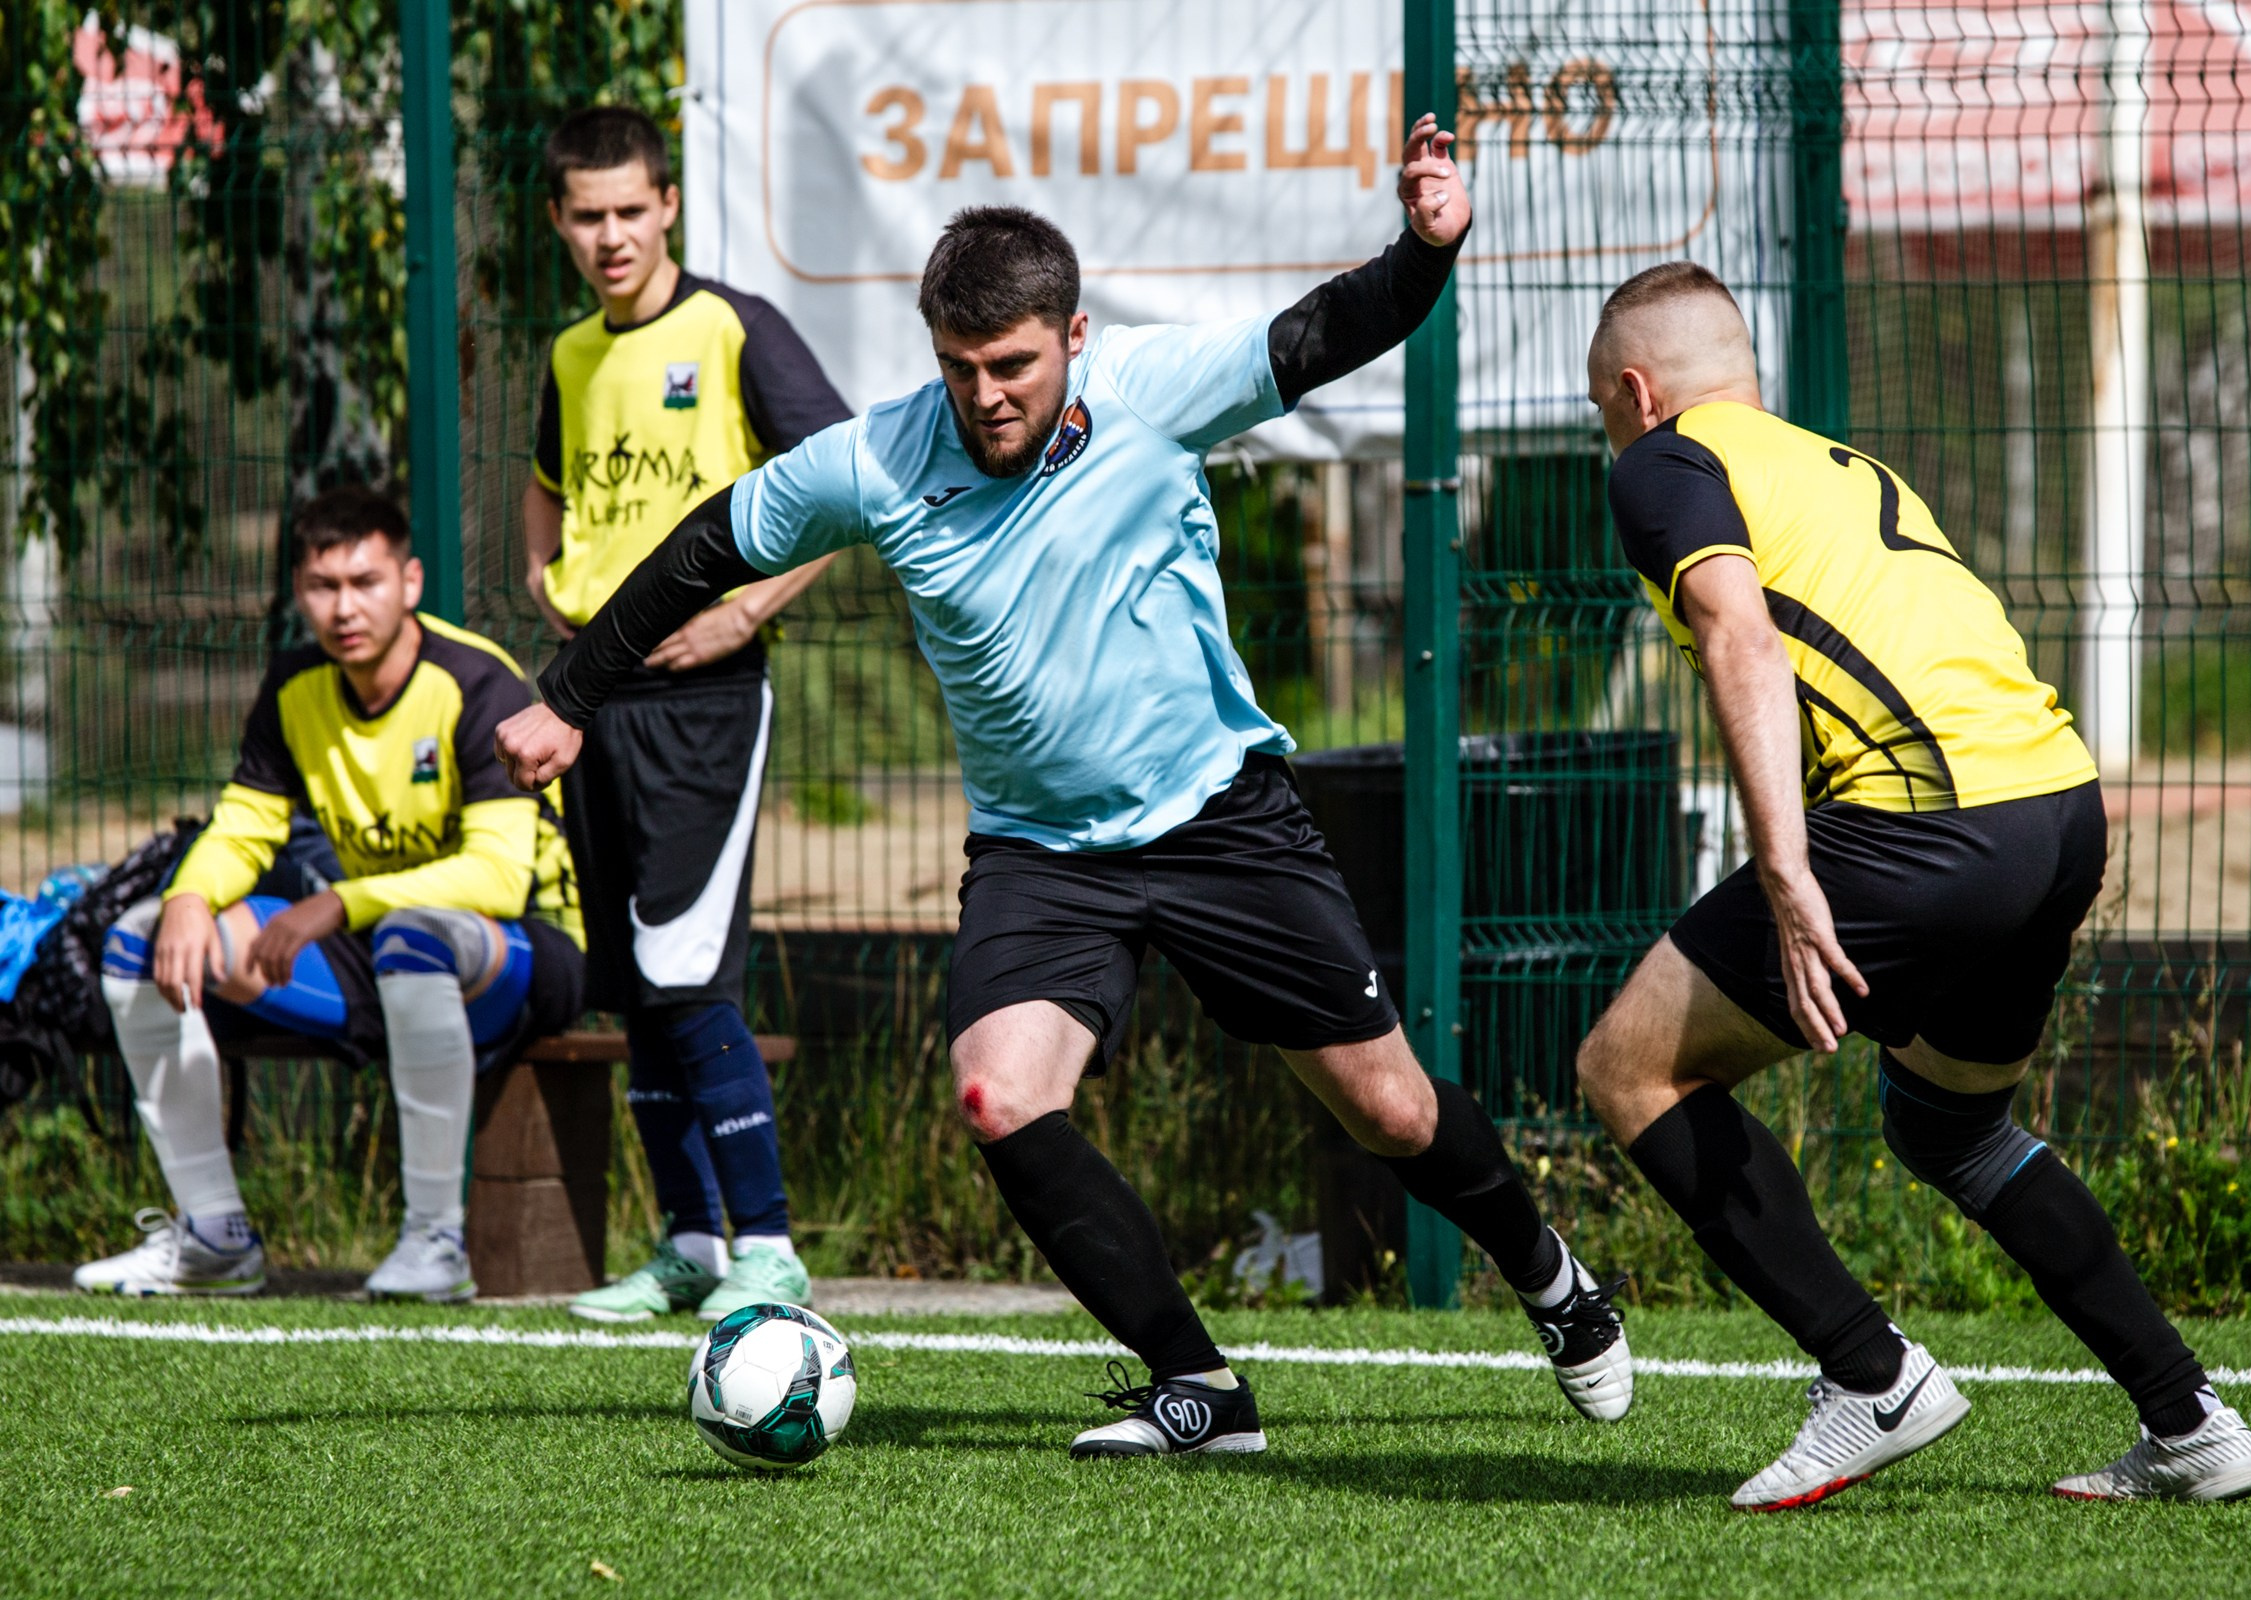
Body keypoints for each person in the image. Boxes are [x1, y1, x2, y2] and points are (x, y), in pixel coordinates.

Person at [498, 115, 1633, 1456]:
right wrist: (569, 701)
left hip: (1221, 822)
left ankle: (1552, 1278)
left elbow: (1326, 331)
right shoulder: (881, 458)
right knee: (998, 1092)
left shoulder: (1156, 390)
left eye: (1016, 365)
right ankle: (1197, 1388)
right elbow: (705, 548)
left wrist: (1427, 251)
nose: (989, 395)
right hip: (1043, 856)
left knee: (1387, 1107)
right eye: (963, 366)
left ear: (1074, 339)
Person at [1573, 262, 2251, 1508]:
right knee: (1950, 1126)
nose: (1607, 435)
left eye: (1600, 410)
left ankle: (1870, 1373)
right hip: (2057, 808)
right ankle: (2192, 1424)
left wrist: (1786, 869)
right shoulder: (1841, 466)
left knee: (1629, 1065)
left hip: (1930, 826)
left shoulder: (1663, 462)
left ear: (1636, 390)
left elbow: (1737, 632)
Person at [74, 486, 585, 1302]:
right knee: (141, 939)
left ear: (410, 582)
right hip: (380, 945)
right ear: (300, 591)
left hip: (523, 953)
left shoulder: (475, 680)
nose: (344, 607)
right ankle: (214, 1235)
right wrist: (188, 897)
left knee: (413, 933)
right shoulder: (295, 686)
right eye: (323, 586)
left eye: (365, 582)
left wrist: (337, 904)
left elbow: (497, 877)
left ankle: (434, 1244)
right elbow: (244, 826)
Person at [528, 106, 849, 1323]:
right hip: (595, 700)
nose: (611, 237)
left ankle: (767, 1243)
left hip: (706, 700)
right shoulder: (568, 353)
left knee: (686, 968)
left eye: (630, 211)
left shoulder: (731, 329)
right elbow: (547, 486)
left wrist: (743, 612)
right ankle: (688, 1248)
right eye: (587, 216)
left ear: (667, 207)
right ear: (558, 221)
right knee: (629, 980)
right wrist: (549, 584)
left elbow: (840, 473)